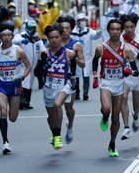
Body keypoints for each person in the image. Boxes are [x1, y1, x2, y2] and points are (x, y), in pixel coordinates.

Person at [92, 19, 139, 157]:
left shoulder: (127, 50)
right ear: (108, 31)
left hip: (119, 84)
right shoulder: (101, 48)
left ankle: (112, 143)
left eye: (118, 29)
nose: (115, 32)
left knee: (116, 117)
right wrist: (95, 76)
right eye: (112, 29)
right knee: (106, 108)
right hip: (106, 82)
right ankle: (104, 116)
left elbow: (135, 71)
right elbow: (95, 61)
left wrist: (129, 72)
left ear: (121, 31)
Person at [0, 22, 32, 154]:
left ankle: (6, 134)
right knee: (3, 111)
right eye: (4, 35)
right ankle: (5, 142)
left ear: (12, 36)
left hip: (14, 86)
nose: (6, 38)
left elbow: (29, 66)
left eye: (9, 35)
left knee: (13, 117)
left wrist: (22, 77)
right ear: (0, 37)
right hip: (1, 85)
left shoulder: (19, 51)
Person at [33, 24, 77, 151]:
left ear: (61, 37)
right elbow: (36, 73)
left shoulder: (69, 53)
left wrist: (73, 79)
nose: (54, 40)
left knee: (58, 104)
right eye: (51, 38)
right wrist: (42, 62)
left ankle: (57, 135)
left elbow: (73, 67)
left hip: (64, 85)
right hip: (49, 86)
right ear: (47, 38)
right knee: (51, 117)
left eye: (57, 37)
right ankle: (54, 133)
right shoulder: (44, 53)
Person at [120, 13, 139, 141]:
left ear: (135, 26)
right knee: (124, 97)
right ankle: (126, 128)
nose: (129, 30)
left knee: (136, 106)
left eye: (131, 27)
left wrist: (138, 56)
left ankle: (136, 116)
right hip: (124, 75)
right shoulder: (119, 39)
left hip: (137, 74)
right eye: (126, 27)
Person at [57, 15, 84, 144]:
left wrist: (74, 57)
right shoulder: (54, 42)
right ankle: (55, 132)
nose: (65, 31)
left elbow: (83, 64)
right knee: (56, 106)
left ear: (72, 29)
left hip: (70, 79)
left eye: (67, 28)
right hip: (55, 79)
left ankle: (70, 126)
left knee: (68, 108)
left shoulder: (76, 44)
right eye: (62, 28)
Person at [13, 19, 43, 110]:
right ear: (26, 28)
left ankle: (27, 102)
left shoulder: (37, 39)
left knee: (30, 83)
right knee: (23, 82)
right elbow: (14, 40)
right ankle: (21, 101)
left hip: (33, 65)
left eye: (33, 28)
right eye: (30, 28)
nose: (32, 30)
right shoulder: (20, 36)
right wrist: (22, 40)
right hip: (22, 65)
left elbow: (42, 48)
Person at [71, 13, 102, 99]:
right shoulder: (72, 33)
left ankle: (85, 94)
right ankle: (76, 93)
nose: (83, 22)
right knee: (76, 76)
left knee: (86, 76)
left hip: (87, 57)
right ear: (77, 22)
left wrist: (100, 32)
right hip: (76, 57)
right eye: (81, 21)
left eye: (84, 20)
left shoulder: (88, 31)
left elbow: (95, 36)